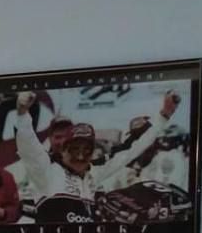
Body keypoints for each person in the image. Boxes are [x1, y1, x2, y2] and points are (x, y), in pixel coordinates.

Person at [13, 89, 180, 222]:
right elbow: (28, 145)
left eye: (86, 149)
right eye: (75, 148)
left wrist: (163, 115)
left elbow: (131, 149)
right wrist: (22, 113)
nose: (80, 154)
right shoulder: (46, 169)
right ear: (64, 149)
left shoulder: (96, 170)